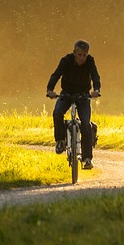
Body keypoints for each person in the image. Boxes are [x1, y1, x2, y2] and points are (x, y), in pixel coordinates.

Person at [46, 40, 101, 169]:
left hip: (83, 95)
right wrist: (50, 90)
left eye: (84, 55)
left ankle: (87, 158)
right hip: (66, 94)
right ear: (74, 53)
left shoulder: (90, 61)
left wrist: (96, 90)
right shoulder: (66, 60)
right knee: (57, 112)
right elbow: (56, 74)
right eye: (79, 54)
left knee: (85, 123)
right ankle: (60, 140)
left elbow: (95, 76)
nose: (82, 58)